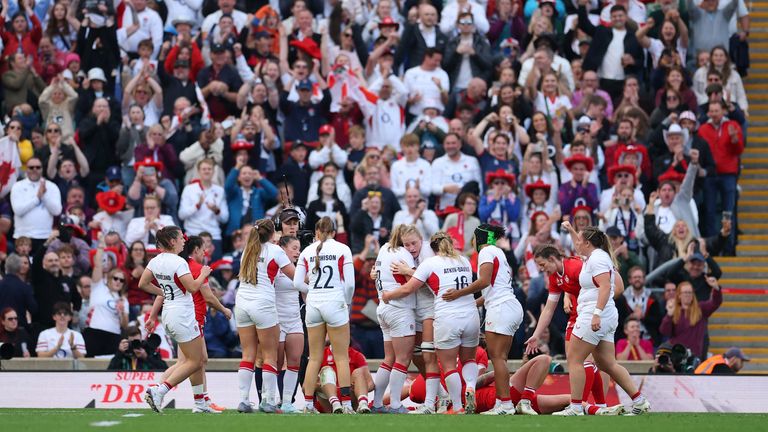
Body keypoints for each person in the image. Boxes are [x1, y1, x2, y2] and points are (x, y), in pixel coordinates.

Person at [532, 226, 650, 416]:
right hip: (599, 315)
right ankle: (639, 400)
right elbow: (549, 308)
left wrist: (597, 312)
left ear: (587, 243)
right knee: (607, 364)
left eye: (579, 240)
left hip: (593, 315)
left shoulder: (595, 259)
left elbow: (609, 286)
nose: (576, 243)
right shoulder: (588, 259)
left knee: (575, 359)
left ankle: (577, 407)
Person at [383, 232, 480, 414]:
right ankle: (471, 386)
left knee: (448, 365)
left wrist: (388, 295)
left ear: (431, 248)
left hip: (447, 316)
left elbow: (410, 287)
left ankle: (458, 407)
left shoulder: (430, 263)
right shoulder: (464, 260)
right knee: (468, 359)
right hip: (471, 315)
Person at [442, 224, 524, 415]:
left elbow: (484, 281)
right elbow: (491, 290)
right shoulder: (499, 252)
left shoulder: (486, 252)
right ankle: (502, 403)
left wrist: (458, 294)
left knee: (497, 359)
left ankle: (504, 405)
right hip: (507, 306)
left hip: (501, 308)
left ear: (479, 239)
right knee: (500, 358)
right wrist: (471, 304)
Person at [139, 226, 212, 414]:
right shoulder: (179, 262)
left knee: (194, 359)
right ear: (172, 241)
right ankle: (159, 390)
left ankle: (201, 403)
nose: (184, 240)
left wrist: (162, 291)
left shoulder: (155, 261)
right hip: (183, 315)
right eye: (180, 238)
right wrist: (203, 274)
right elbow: (193, 287)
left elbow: (143, 283)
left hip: (169, 314)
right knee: (195, 361)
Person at [293, 217, 355, 414]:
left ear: (317, 233)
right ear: (333, 233)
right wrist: (346, 301)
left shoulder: (306, 251)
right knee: (341, 357)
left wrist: (311, 291)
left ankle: (309, 405)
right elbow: (351, 284)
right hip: (335, 302)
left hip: (314, 305)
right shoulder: (343, 249)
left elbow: (297, 283)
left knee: (314, 358)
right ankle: (346, 404)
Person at [234, 219, 295, 413]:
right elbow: (295, 276)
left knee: (247, 355)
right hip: (263, 304)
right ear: (271, 234)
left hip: (242, 303)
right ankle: (267, 401)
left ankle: (243, 400)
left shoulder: (248, 250)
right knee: (269, 355)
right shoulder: (275, 250)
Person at [372, 225, 418, 414]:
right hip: (400, 309)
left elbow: (376, 272)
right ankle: (396, 403)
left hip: (383, 308)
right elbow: (416, 282)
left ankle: (376, 403)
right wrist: (409, 270)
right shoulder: (403, 254)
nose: (411, 247)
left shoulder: (384, 249)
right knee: (403, 358)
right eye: (409, 243)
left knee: (389, 358)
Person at [83, 238, 129, 357]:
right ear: (109, 278)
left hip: (114, 336)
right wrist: (101, 247)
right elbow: (98, 266)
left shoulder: (123, 300)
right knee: (90, 369)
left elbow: (125, 325)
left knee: (110, 370)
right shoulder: (99, 286)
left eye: (122, 280)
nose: (118, 281)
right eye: (115, 278)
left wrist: (123, 311)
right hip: (94, 333)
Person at [274, 235, 304, 412]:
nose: (298, 252)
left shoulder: (299, 268)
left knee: (294, 362)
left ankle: (287, 403)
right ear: (282, 249)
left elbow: (305, 288)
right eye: (294, 248)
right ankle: (268, 400)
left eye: (299, 248)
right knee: (275, 363)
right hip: (276, 320)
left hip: (294, 320)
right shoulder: (273, 267)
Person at [659, 279, 722, 360]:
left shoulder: (701, 308)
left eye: (690, 292)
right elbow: (665, 331)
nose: (688, 295)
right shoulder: (674, 310)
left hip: (694, 355)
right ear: (679, 295)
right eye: (685, 292)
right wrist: (669, 315)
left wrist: (716, 288)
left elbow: (715, 303)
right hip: (676, 355)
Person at [10, 157, 62, 251]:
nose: (35, 170)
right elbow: (18, 211)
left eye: (38, 167)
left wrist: (44, 196)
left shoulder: (52, 186)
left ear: (42, 169)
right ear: (26, 169)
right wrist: (37, 198)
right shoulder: (17, 186)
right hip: (22, 236)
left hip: (45, 236)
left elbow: (57, 211)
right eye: (31, 167)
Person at [313, 345, 375, 413]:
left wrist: (357, 387)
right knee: (327, 371)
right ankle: (335, 404)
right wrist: (319, 385)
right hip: (327, 398)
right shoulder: (321, 354)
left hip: (350, 394)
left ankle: (363, 404)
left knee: (358, 372)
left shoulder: (356, 355)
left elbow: (370, 383)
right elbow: (306, 387)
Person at [0, 254, 37, 330]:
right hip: (19, 328)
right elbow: (33, 309)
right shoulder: (24, 287)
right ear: (19, 268)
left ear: (6, 267)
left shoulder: (1, 284)